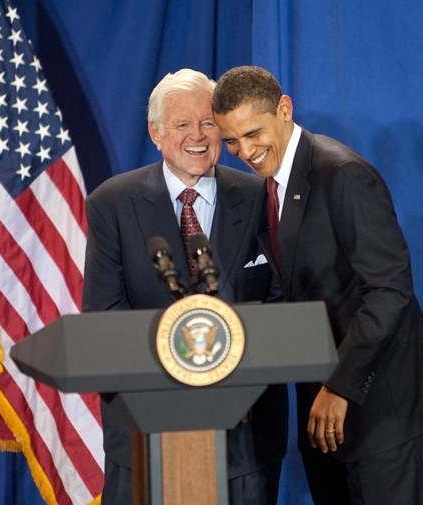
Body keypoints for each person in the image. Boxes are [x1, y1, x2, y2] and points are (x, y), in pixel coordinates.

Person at [212, 65, 423, 505]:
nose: (244, 151)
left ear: (284, 110)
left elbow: (389, 289)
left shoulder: (340, 172)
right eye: (231, 140)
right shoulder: (270, 188)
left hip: (382, 408)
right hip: (326, 411)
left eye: (253, 133)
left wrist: (341, 385)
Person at [82, 68, 288, 505]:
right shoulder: (112, 204)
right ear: (156, 134)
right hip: (145, 435)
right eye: (181, 124)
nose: (198, 135)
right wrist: (185, 371)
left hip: (244, 441)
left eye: (208, 122)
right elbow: (105, 314)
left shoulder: (260, 198)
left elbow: (279, 303)